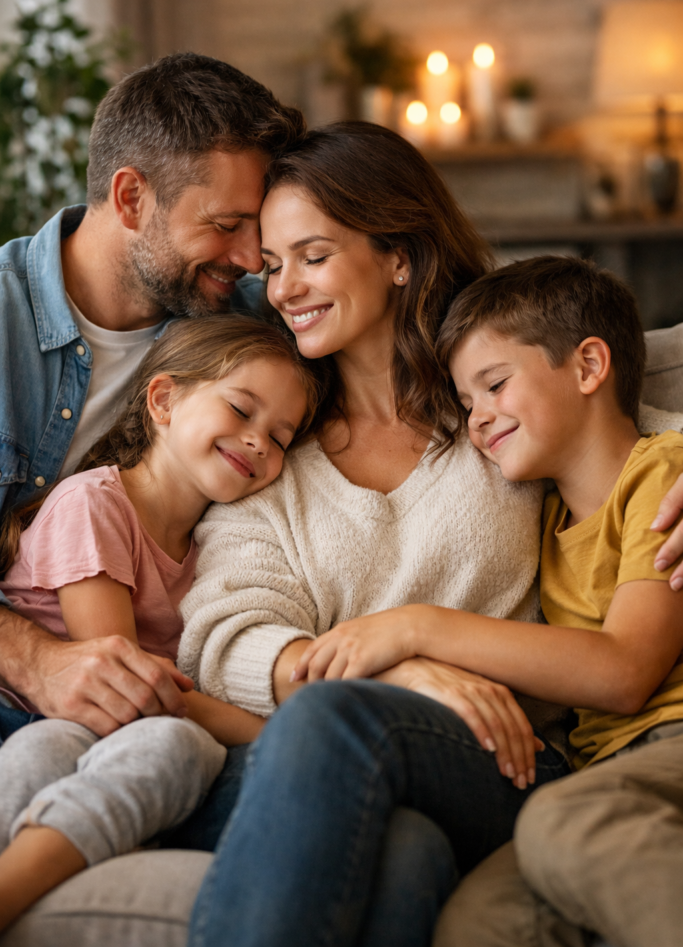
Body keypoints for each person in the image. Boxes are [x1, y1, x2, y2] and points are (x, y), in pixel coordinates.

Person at [176, 123, 573, 947]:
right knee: (404, 856)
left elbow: (627, 425)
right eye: (274, 264)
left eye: (312, 256)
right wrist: (401, 663)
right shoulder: (271, 446)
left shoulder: (497, 396)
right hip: (346, 781)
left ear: (398, 254)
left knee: (329, 717)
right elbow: (222, 639)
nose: (284, 288)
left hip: (508, 761)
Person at [308, 254, 683, 947]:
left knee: (561, 822)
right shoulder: (541, 519)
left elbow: (622, 670)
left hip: (667, 745)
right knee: (482, 919)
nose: (478, 419)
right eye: (466, 401)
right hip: (604, 772)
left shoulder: (662, 473)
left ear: (588, 366)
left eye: (494, 385)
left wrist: (416, 629)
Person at [0, 50, 305, 741]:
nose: (252, 257)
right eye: (227, 225)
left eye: (257, 230)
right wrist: (39, 661)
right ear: (132, 196)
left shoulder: (247, 328)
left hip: (164, 713)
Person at [0, 313, 316, 932]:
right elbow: (122, 686)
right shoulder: (94, 505)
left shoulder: (214, 548)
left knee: (172, 747)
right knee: (162, 742)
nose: (259, 442)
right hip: (43, 715)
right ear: (164, 399)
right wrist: (280, 732)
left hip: (99, 732)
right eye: (241, 409)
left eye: (281, 437)